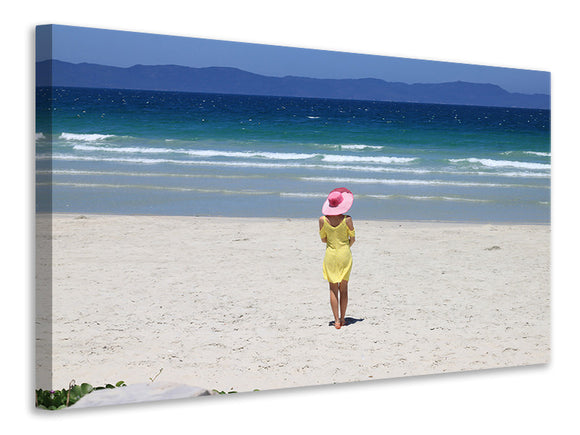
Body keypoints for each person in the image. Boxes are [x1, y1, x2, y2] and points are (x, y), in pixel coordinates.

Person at [319, 187, 355, 329]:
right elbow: (352, 239)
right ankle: (343, 318)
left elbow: (323, 239)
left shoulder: (322, 220)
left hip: (330, 255)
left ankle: (336, 321)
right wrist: (345, 246)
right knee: (344, 288)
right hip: (345, 254)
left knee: (333, 288)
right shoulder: (347, 219)